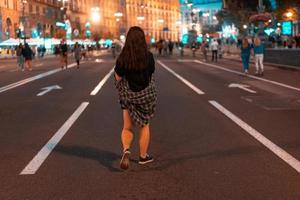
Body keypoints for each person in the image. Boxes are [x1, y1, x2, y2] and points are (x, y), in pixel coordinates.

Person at [114, 26, 157, 170]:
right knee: (144, 126)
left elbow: (118, 77)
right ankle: (143, 156)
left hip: (129, 97)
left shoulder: (123, 58)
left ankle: (126, 149)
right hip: (145, 97)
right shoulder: (149, 57)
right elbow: (151, 74)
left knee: (127, 127)